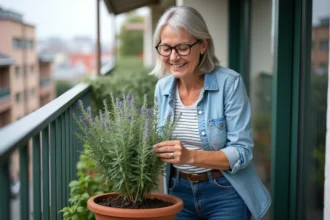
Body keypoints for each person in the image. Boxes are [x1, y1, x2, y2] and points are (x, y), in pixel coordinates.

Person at [151, 6, 271, 220]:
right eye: (166, 48)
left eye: (182, 47)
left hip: (225, 193)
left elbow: (242, 151)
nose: (173, 57)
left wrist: (190, 156)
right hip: (178, 192)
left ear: (203, 45)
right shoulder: (162, 89)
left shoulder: (229, 84)